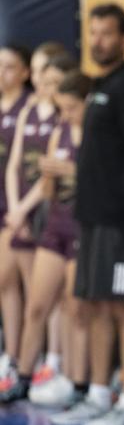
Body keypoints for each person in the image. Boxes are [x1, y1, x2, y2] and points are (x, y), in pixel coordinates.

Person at [50, 3, 124, 425]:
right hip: (92, 220)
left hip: (121, 220)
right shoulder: (98, 87)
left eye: (107, 33)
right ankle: (97, 395)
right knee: (93, 305)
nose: (98, 41)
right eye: (93, 33)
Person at [0, 69, 90, 405]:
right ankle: (22, 376)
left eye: (69, 107)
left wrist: (73, 172)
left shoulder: (94, 133)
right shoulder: (60, 131)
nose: (63, 114)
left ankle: (77, 382)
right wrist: (50, 175)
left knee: (74, 308)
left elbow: (104, 179)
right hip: (55, 224)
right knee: (36, 305)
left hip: (82, 227)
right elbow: (48, 185)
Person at [0, 43, 66, 391]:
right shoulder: (28, 113)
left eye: (45, 74)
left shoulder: (59, 116)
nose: (41, 81)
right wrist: (16, 206)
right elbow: (14, 166)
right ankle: (15, 358)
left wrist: (21, 208)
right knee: (14, 286)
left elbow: (49, 177)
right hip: (16, 210)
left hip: (44, 211)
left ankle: (49, 361)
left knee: (45, 293)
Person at [0, 44, 32, 387]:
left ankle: (19, 357)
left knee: (12, 281)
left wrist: (17, 207)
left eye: (9, 67)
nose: (2, 73)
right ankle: (11, 352)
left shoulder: (28, 108)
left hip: (20, 210)